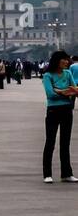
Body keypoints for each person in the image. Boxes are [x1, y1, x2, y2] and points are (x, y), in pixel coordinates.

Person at [42, 49, 77, 184]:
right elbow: (50, 94)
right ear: (57, 61)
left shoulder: (68, 73)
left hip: (67, 110)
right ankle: (47, 173)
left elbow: (75, 91)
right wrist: (67, 92)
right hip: (53, 111)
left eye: (67, 60)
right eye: (64, 59)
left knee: (65, 142)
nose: (67, 62)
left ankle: (66, 174)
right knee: (50, 142)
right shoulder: (48, 76)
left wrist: (60, 90)